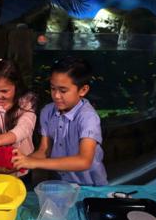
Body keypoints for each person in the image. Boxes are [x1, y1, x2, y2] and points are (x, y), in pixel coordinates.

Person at [12, 56, 108, 186]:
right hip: (62, 185)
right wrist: (22, 161)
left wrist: (33, 163)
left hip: (91, 187)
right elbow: (44, 151)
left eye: (63, 90)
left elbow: (84, 161)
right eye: (53, 88)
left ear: (83, 90)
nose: (56, 95)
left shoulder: (88, 117)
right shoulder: (47, 111)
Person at [0, 59, 36, 176]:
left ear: (16, 85)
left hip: (22, 169)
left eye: (4, 91)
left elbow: (23, 129)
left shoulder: (27, 103)